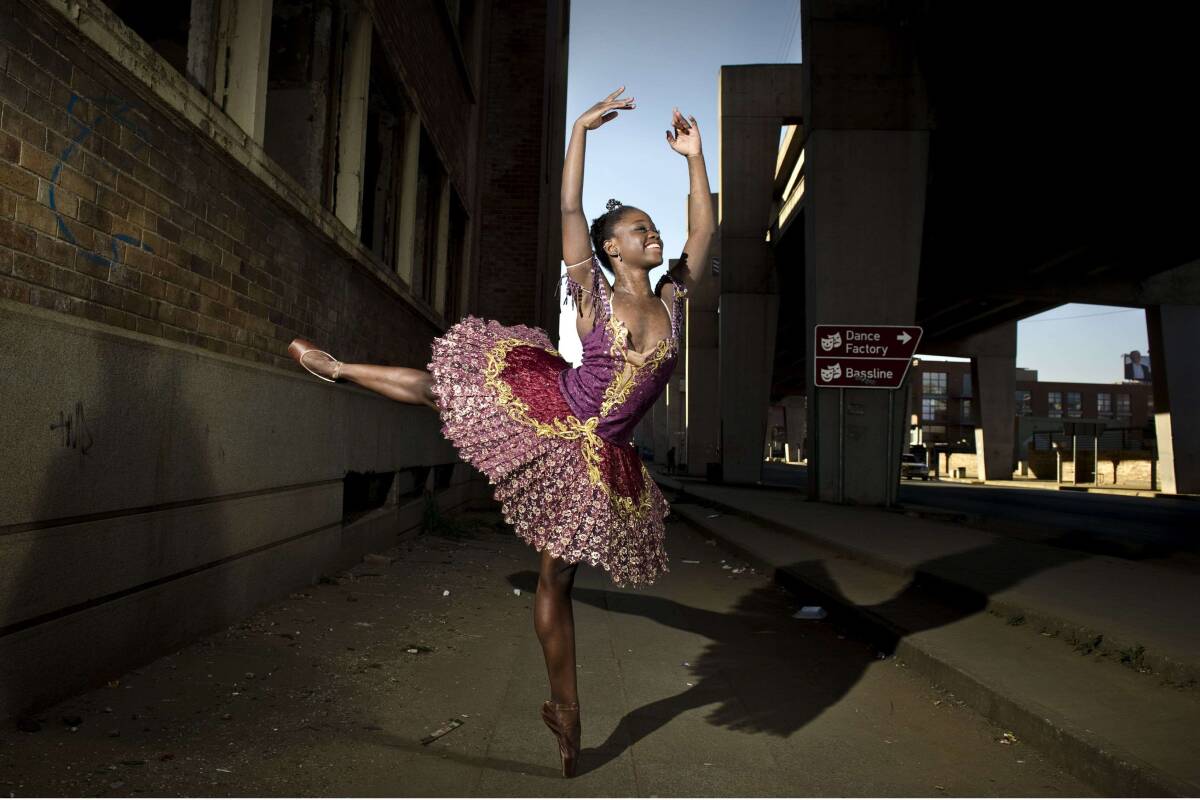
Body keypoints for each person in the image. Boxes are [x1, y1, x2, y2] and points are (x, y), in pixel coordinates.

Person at [285, 87, 714, 778]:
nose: (652, 235)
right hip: (553, 408)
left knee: (556, 581)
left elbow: (702, 232)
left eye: (652, 229)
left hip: (602, 459)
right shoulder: (590, 292)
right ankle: (339, 368)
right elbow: (571, 208)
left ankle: (563, 712)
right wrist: (579, 128)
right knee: (443, 390)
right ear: (611, 247)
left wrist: (696, 161)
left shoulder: (672, 297)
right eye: (639, 229)